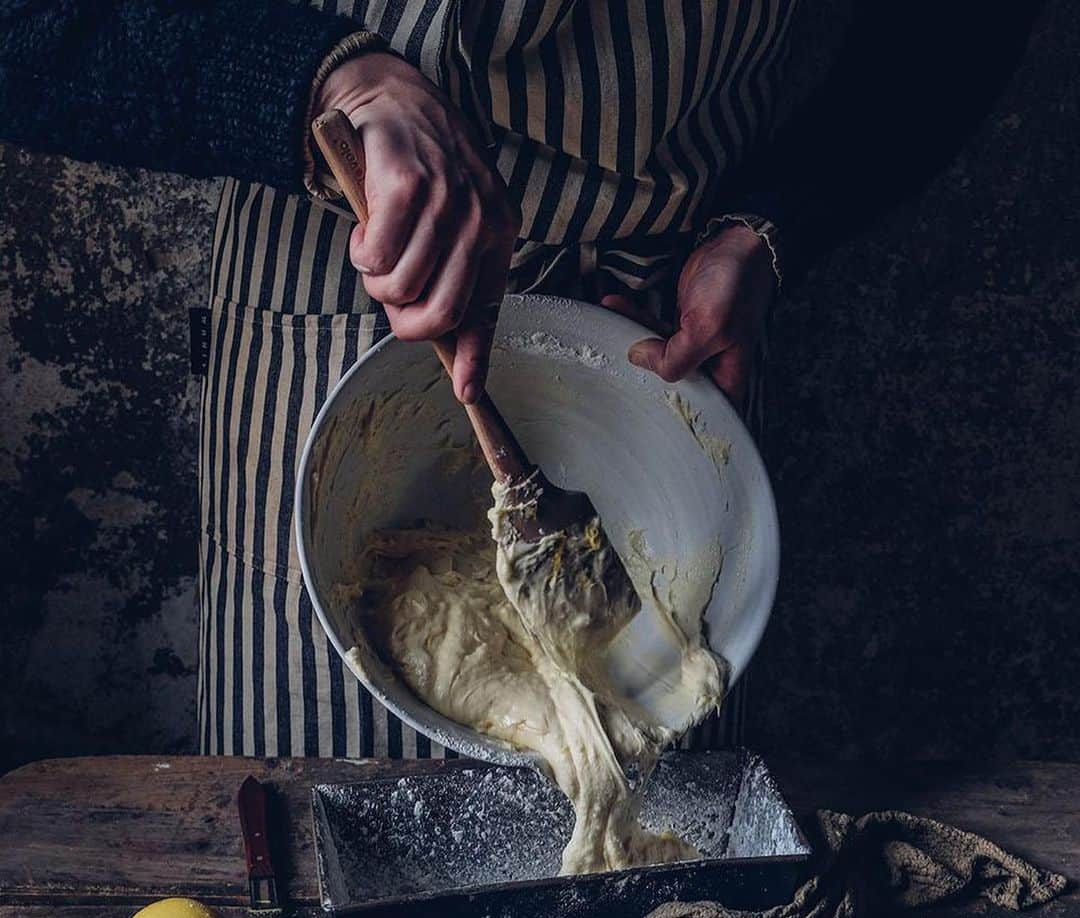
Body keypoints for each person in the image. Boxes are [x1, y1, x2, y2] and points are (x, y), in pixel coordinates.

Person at [0, 0, 1041, 759]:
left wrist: (779, 222)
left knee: (641, 905)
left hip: (664, 337)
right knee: (307, 901)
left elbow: (959, 26)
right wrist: (322, 80)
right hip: (330, 316)